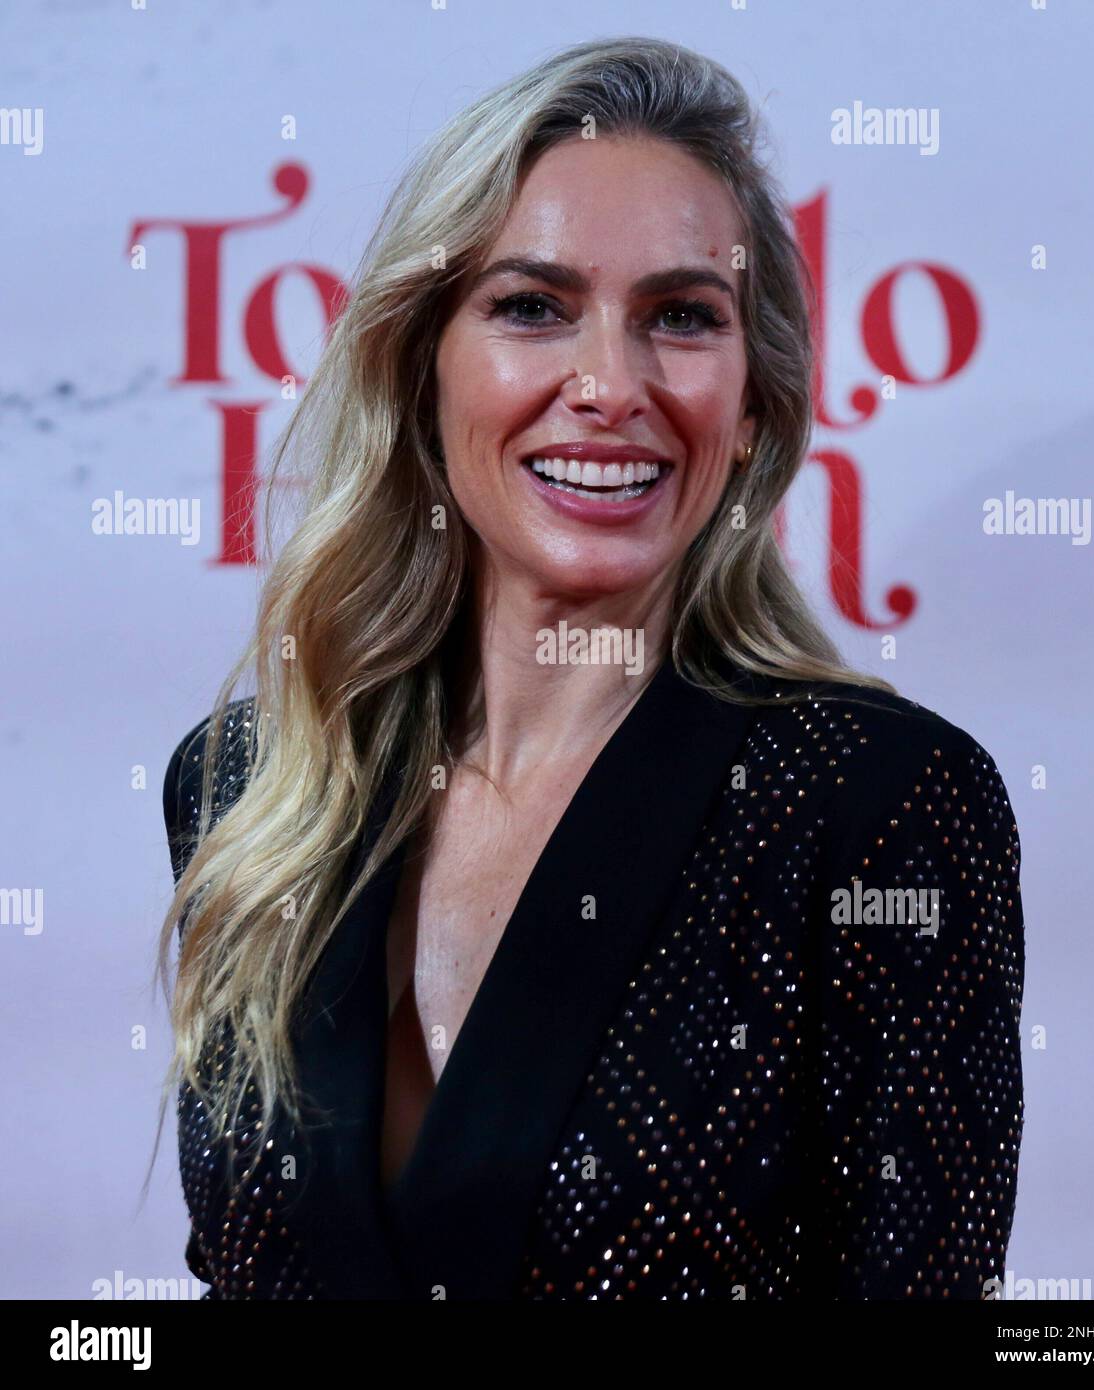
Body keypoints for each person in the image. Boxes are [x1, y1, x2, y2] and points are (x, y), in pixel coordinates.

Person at [160, 35, 1024, 1300]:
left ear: (751, 407)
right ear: (421, 364)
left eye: (681, 316)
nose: (609, 385)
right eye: (531, 307)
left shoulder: (877, 806)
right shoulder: (251, 786)